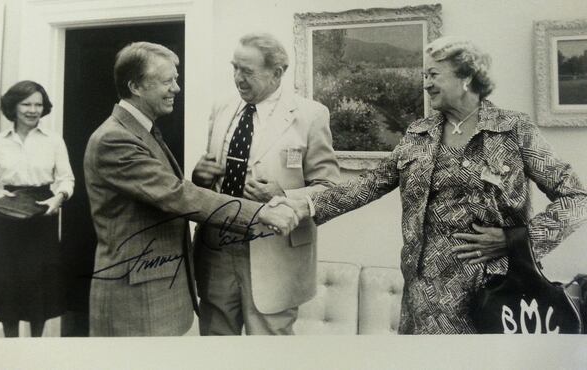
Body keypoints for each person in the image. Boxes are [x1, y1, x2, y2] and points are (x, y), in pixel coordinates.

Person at [266, 36, 587, 334]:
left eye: (434, 74)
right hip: (425, 299)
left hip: (496, 295)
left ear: (466, 77)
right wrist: (303, 203)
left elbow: (577, 197)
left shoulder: (514, 129)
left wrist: (515, 240)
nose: (426, 83)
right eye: (424, 76)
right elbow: (369, 184)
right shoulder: (418, 134)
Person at [83, 41, 297, 337]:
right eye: (167, 81)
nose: (176, 88)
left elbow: (166, 193)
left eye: (176, 79)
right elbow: (176, 195)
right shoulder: (114, 139)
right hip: (136, 300)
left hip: (158, 291)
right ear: (135, 86)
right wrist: (260, 213)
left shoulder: (142, 130)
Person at [191, 32, 340, 335]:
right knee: (216, 349)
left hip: (273, 252)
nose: (237, 79)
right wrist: (199, 176)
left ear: (277, 72)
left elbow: (330, 188)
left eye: (247, 71)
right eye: (234, 68)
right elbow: (207, 180)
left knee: (270, 352)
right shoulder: (222, 108)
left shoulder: (310, 115)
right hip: (217, 248)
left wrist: (283, 195)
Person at [0, 81, 74, 337]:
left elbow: (66, 179)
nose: (33, 110)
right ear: (13, 106)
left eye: (38, 104)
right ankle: (11, 342)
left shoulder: (54, 141)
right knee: (7, 282)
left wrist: (58, 198)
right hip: (8, 214)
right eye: (26, 104)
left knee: (39, 283)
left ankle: (37, 344)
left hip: (40, 213)